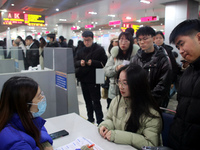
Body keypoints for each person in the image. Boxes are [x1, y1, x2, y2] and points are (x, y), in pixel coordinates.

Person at [99, 64, 162, 149]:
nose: (121, 87)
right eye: (119, 81)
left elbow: (151, 144)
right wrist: (106, 126)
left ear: (137, 84)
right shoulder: (117, 100)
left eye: (125, 83)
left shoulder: (151, 113)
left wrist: (119, 136)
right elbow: (110, 118)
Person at [168, 19, 200, 150]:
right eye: (178, 47)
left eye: (182, 44)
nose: (180, 51)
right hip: (179, 141)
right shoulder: (187, 74)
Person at [0, 76, 53, 150]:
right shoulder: (17, 144)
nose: (42, 98)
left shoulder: (22, 118)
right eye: (38, 96)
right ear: (25, 104)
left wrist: (45, 143)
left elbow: (37, 128)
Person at [131, 26, 172, 108]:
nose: (142, 42)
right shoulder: (135, 58)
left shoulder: (162, 58)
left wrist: (149, 99)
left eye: (145, 39)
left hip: (155, 102)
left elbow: (163, 84)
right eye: (139, 40)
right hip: (137, 100)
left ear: (153, 38)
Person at [74, 30, 107, 125]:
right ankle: (90, 118)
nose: (86, 42)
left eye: (88, 40)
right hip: (83, 78)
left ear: (92, 39)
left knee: (96, 101)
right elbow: (74, 62)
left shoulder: (99, 49)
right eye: (84, 40)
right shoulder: (80, 49)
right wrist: (79, 63)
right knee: (87, 100)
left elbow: (104, 63)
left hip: (96, 78)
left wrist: (93, 62)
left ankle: (100, 120)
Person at [104, 32, 139, 109]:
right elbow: (106, 71)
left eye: (126, 40)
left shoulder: (135, 57)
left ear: (131, 42)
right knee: (112, 112)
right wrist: (116, 68)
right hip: (114, 92)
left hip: (130, 92)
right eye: (121, 40)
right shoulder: (114, 55)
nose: (123, 43)